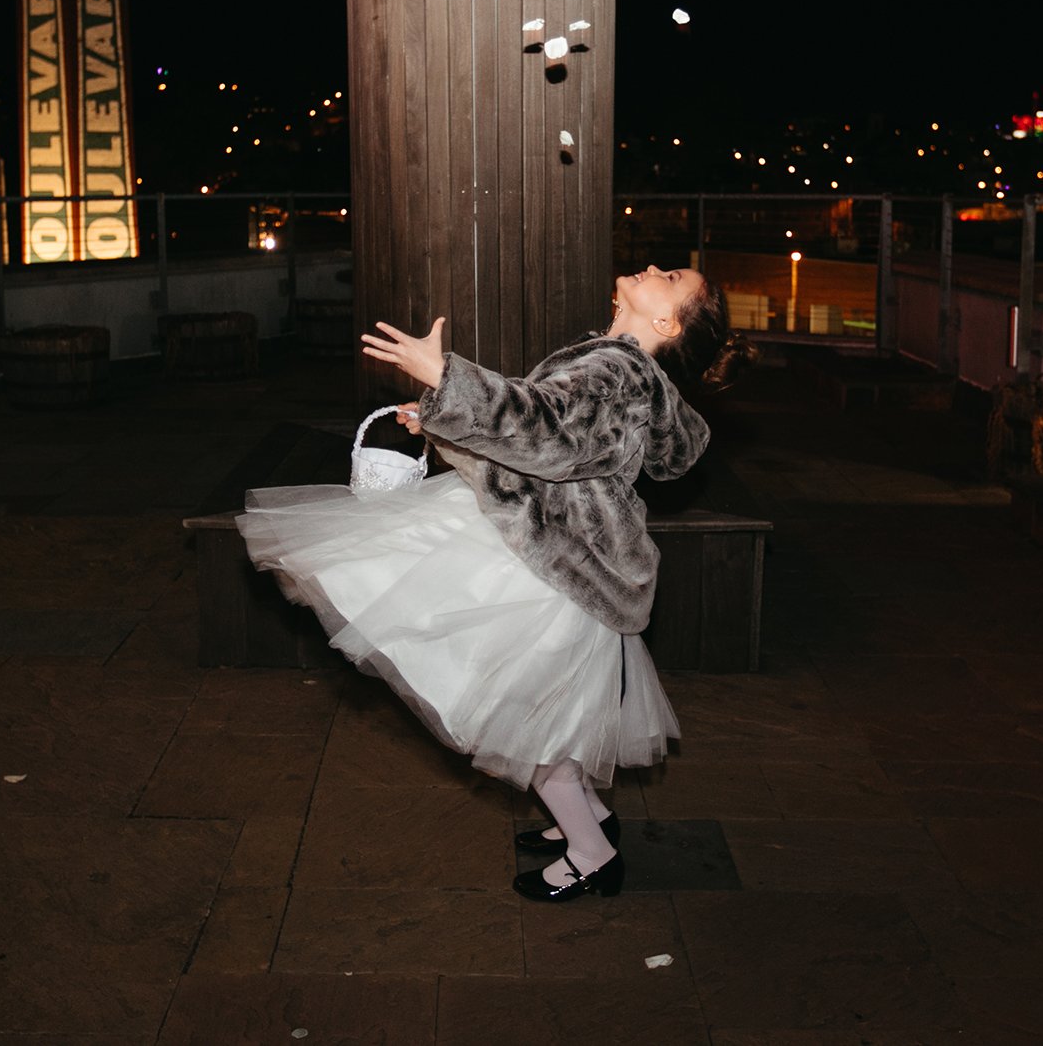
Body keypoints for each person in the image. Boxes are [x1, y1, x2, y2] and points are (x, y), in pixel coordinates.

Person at [237, 265, 753, 901]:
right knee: (544, 715)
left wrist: (443, 377)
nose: (652, 268)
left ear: (667, 322)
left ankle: (593, 854)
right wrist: (441, 417)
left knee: (526, 722)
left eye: (670, 276)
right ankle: (589, 821)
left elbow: (541, 430)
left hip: (550, 565)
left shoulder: (617, 370)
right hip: (557, 551)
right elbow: (538, 445)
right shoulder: (619, 365)